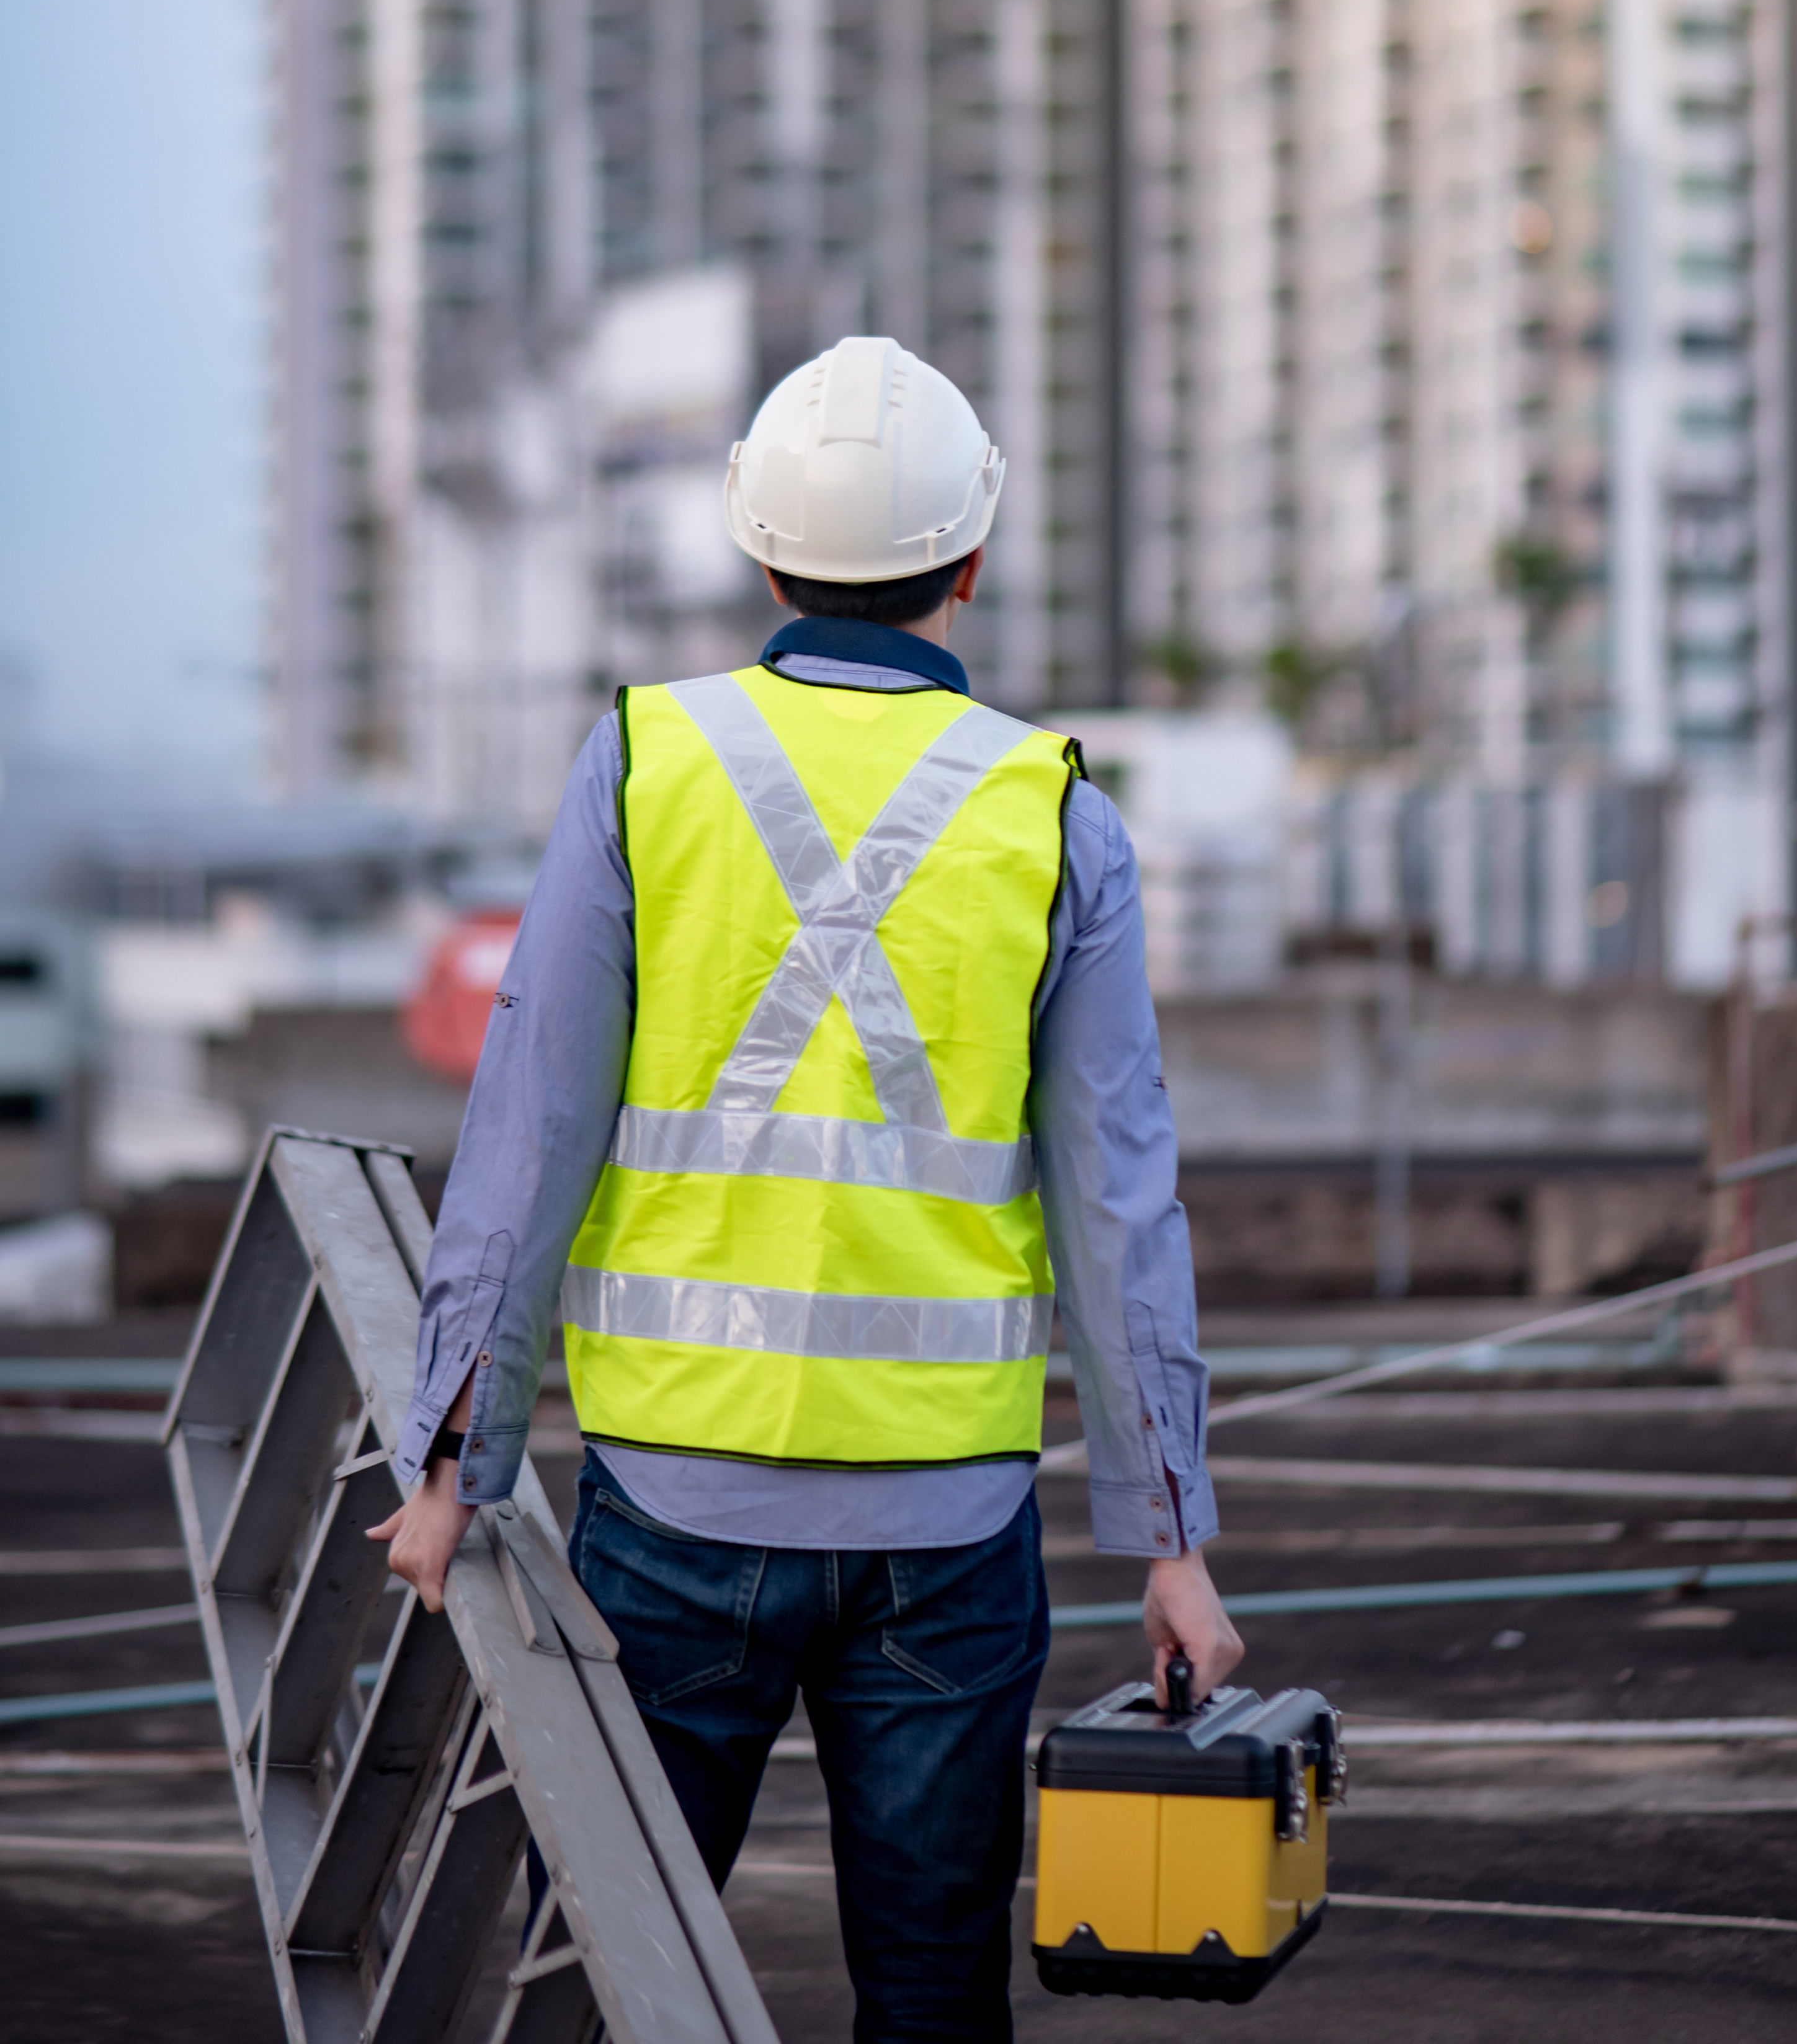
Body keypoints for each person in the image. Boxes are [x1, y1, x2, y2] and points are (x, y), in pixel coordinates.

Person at [371, 334, 1241, 2041]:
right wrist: (1174, 1545)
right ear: (970, 562)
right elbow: (1119, 1201)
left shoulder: (641, 760)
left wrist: (452, 1465)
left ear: (758, 553)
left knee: (617, 1985)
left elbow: (527, 1139)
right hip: (947, 1528)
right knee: (928, 1993)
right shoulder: (1054, 811)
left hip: (672, 1516)